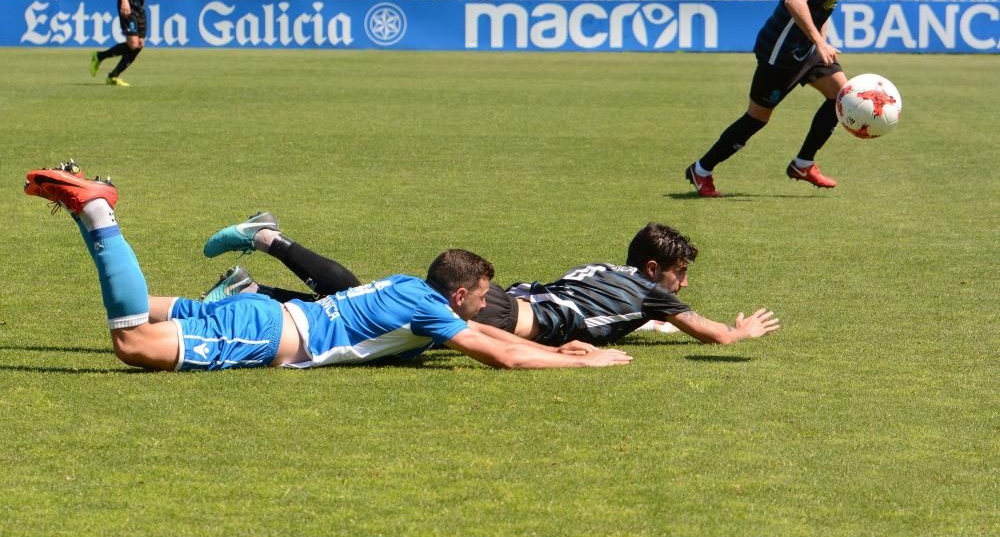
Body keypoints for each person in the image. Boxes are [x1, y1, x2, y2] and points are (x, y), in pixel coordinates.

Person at [23, 161, 632, 372]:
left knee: (154, 307)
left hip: (274, 312)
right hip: (272, 333)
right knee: (132, 343)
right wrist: (588, 360)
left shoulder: (407, 287)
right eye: (481, 296)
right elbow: (498, 351)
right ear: (459, 296)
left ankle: (93, 212)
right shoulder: (430, 311)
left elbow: (486, 334)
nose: (484, 305)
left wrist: (558, 351)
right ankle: (97, 212)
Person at [202, 214, 779, 347]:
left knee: (358, 305)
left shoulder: (605, 270)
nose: (681, 287)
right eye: (680, 276)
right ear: (654, 271)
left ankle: (254, 289)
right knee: (358, 310)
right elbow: (716, 335)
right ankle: (266, 245)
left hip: (511, 299)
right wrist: (742, 330)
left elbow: (607, 309)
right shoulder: (651, 293)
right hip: (506, 316)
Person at [684, 0, 867, 197]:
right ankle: (702, 169)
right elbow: (795, 0)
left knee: (842, 96)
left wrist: (821, 44)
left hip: (805, 50)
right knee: (757, 118)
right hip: (781, 53)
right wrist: (819, 42)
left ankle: (803, 163)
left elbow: (821, 9)